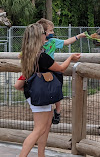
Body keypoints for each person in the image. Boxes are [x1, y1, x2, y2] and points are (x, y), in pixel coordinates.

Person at [14, 23, 81, 157]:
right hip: (41, 94)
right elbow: (60, 68)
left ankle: (41, 154)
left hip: (34, 92)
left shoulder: (27, 54)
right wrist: (71, 58)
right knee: (38, 130)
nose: (46, 36)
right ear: (39, 36)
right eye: (44, 34)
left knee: (44, 128)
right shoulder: (42, 56)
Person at [37, 18, 86, 124]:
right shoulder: (35, 44)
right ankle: (49, 111)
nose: (53, 32)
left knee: (56, 89)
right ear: (43, 32)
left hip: (52, 69)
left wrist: (79, 36)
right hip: (41, 71)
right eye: (50, 30)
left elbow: (67, 42)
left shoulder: (52, 42)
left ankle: (57, 111)